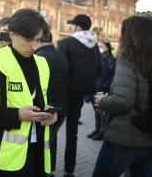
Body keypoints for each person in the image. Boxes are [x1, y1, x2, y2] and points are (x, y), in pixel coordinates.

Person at [0, 8, 57, 177]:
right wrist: (17, 115)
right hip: (0, 160)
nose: (34, 46)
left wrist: (50, 114)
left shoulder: (43, 64)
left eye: (38, 40)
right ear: (12, 34)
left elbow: (41, 101)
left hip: (37, 154)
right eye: (29, 39)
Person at [92, 16, 152, 177]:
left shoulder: (128, 61)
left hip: (123, 138)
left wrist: (103, 101)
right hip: (147, 138)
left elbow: (123, 100)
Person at [57, 14, 102, 177]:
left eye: (73, 25)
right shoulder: (95, 45)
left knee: (52, 130)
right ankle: (69, 170)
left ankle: (49, 168)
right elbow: (98, 70)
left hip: (63, 94)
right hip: (79, 95)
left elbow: (59, 68)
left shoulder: (67, 43)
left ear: (78, 27)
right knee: (72, 134)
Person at [35, 28, 68, 177]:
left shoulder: (40, 57)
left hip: (47, 108)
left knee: (43, 142)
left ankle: (45, 171)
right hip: (61, 107)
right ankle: (50, 169)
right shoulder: (60, 55)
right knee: (51, 140)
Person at [86, 41, 116, 141]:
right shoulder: (97, 59)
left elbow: (113, 75)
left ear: (107, 48)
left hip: (103, 90)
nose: (99, 48)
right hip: (94, 89)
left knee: (102, 113)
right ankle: (97, 129)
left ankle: (102, 132)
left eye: (101, 46)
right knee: (96, 111)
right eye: (98, 46)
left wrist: (105, 84)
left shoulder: (111, 60)